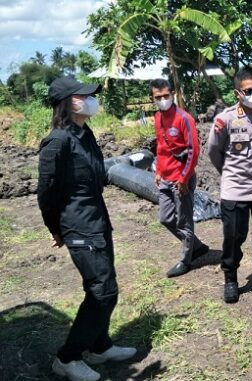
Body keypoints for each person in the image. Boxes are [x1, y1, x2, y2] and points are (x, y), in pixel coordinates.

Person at [38, 77, 136, 381]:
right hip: (77, 225)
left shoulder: (85, 133)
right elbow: (46, 192)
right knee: (103, 291)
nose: (91, 100)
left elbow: (96, 176)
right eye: (84, 95)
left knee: (104, 285)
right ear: (68, 103)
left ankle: (99, 347)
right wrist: (56, 229)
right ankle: (67, 358)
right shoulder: (58, 141)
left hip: (97, 220)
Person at [207, 68, 252, 304]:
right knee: (233, 238)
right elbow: (214, 151)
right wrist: (229, 173)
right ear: (237, 93)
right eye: (249, 90)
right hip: (235, 191)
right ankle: (231, 280)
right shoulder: (225, 119)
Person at [150, 78, 209, 278]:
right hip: (165, 177)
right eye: (158, 97)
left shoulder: (184, 118)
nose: (163, 100)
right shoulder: (158, 117)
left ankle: (186, 260)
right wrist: (158, 170)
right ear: (153, 98)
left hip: (180, 180)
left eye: (166, 95)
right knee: (166, 219)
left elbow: (193, 150)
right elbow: (161, 146)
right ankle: (197, 246)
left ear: (173, 94)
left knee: (184, 222)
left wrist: (184, 178)